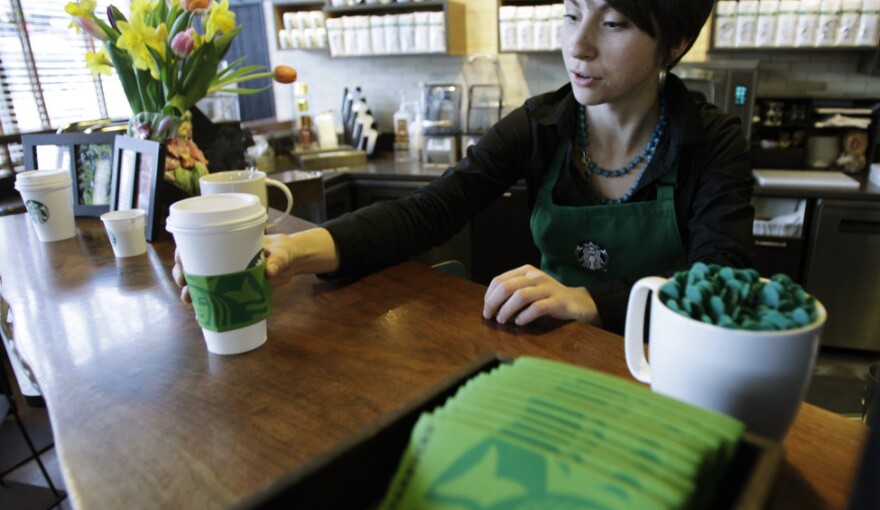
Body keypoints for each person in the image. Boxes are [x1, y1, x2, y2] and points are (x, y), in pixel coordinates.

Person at [174, 0, 754, 335]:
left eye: (614, 23)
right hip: (550, 355)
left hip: (663, 367)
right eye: (572, 12)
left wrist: (589, 300)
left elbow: (722, 285)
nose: (577, 45)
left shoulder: (711, 143)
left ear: (673, 44)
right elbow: (431, 211)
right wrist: (294, 253)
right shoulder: (541, 125)